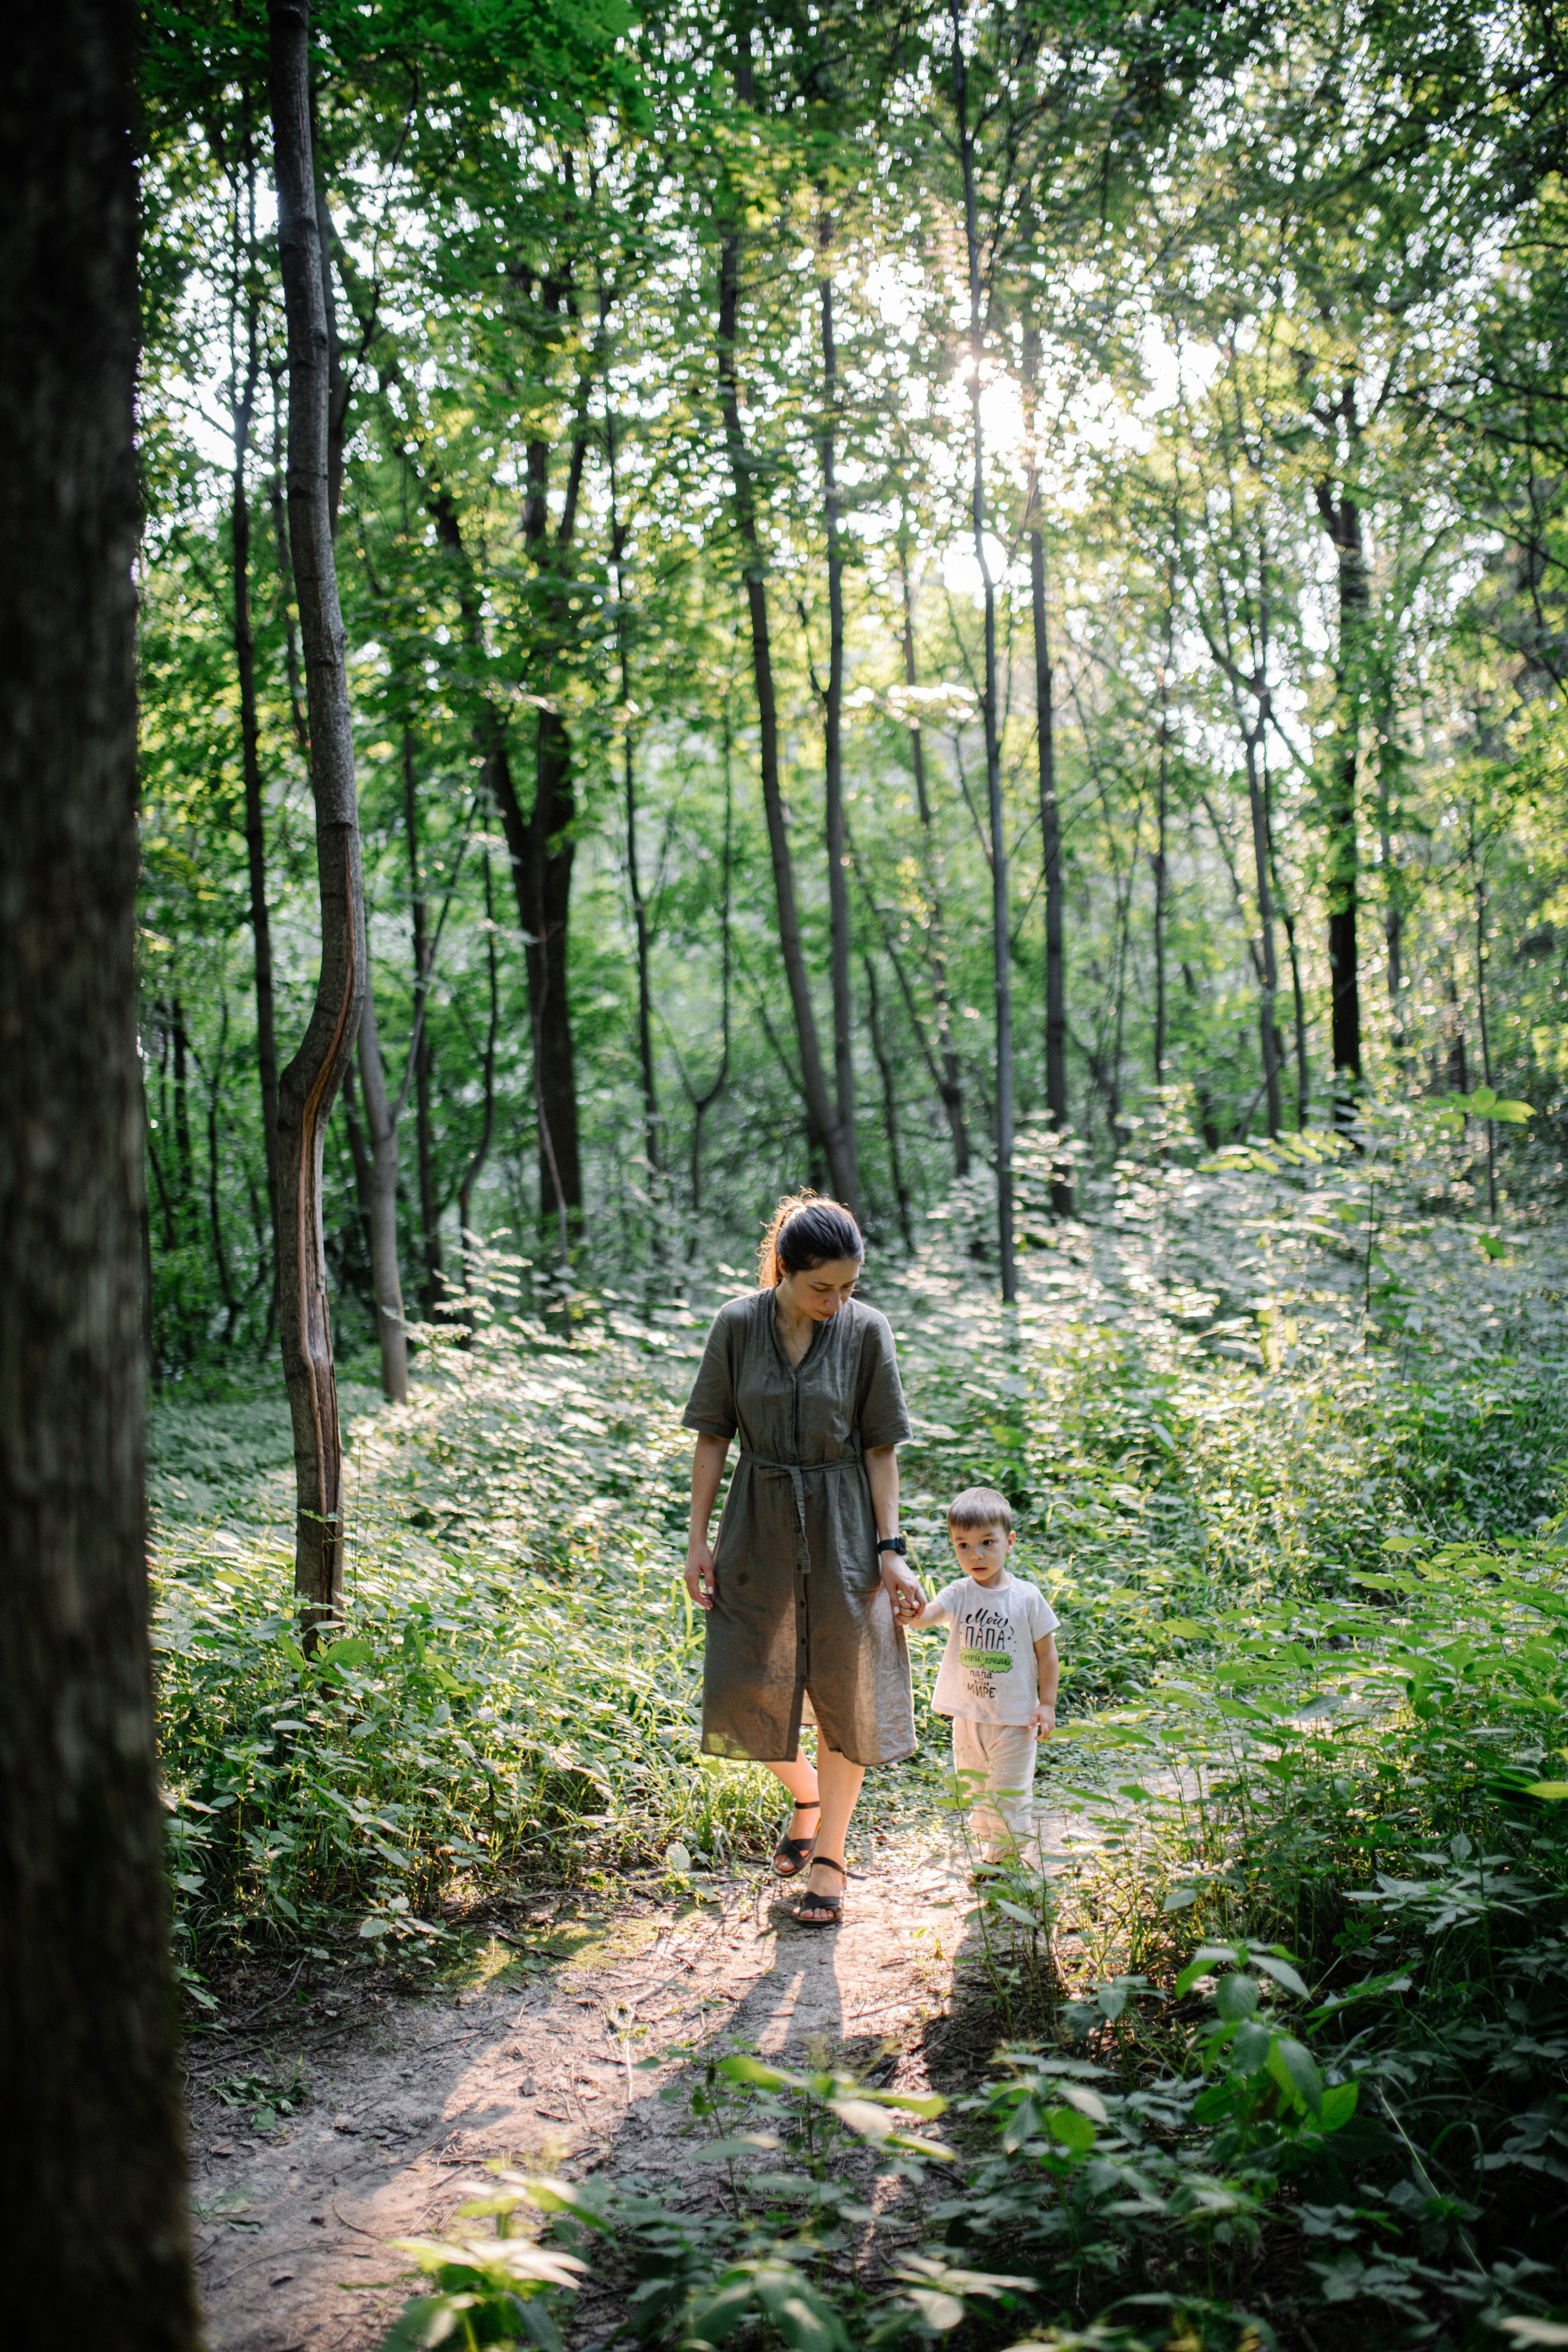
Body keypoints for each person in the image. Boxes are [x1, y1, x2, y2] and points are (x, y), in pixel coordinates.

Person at [682, 1192, 926, 1927]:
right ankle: (808, 1796)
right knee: (745, 1679)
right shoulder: (735, 1324)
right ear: (782, 1270)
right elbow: (711, 1437)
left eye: (849, 1286)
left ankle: (830, 1856)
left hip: (846, 1523)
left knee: (845, 1687)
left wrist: (891, 1551)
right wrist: (696, 1541)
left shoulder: (866, 1332)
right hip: (755, 1520)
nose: (837, 1300)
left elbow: (880, 1447)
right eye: (823, 1287)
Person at [909, 1487, 1059, 1866]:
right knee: (976, 1789)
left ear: (1009, 1543)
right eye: (963, 1545)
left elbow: (1047, 1654)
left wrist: (1047, 1703)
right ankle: (992, 1849)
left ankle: (1006, 1863)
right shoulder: (959, 1592)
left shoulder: (1026, 1597)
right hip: (969, 1717)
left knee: (1008, 1791)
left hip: (1015, 1719)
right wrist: (911, 1610)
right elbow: (929, 1617)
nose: (975, 1555)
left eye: (987, 1543)